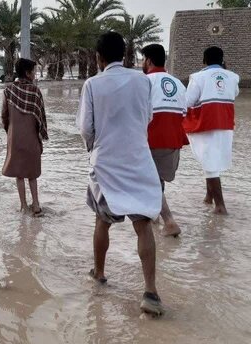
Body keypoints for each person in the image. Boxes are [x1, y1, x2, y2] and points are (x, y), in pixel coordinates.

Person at [76, 32, 164, 316]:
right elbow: (148, 117)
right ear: (125, 55)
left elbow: (85, 129)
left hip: (107, 165)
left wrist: (94, 149)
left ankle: (99, 273)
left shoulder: (92, 84)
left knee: (102, 221)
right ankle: (150, 292)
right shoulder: (143, 80)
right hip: (139, 160)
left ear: (98, 58)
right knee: (143, 225)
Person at [184, 46, 240, 215]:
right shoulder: (233, 77)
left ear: (204, 60)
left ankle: (220, 205)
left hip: (206, 124)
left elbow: (187, 101)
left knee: (209, 162)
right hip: (225, 123)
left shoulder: (198, 77)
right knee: (212, 160)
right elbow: (234, 93)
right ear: (222, 60)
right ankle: (209, 196)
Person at [141, 44, 188, 237]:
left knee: (148, 181)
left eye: (143, 59)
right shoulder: (177, 83)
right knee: (158, 179)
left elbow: (138, 113)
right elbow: (184, 112)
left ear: (149, 60)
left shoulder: (143, 81)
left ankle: (169, 221)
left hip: (150, 140)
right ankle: (155, 217)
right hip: (174, 140)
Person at [1, 58, 48, 217]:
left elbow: (4, 116)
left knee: (19, 174)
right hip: (31, 138)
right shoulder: (35, 92)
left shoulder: (8, 90)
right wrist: (40, 136)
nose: (35, 74)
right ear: (27, 73)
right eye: (34, 71)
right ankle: (36, 205)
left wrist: (10, 132)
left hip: (14, 138)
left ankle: (23, 206)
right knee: (32, 174)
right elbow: (41, 118)